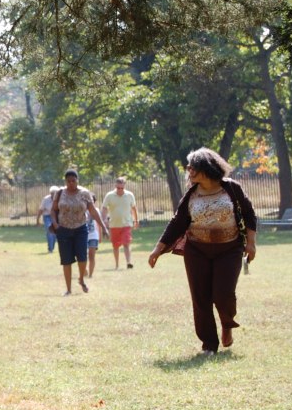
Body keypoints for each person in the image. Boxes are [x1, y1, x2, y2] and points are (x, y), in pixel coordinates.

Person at [147, 147, 257, 355]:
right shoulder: (191, 194)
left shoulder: (232, 189)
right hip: (197, 250)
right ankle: (209, 344)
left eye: (192, 167)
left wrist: (250, 243)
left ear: (206, 168)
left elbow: (249, 214)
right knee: (201, 298)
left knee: (223, 294)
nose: (189, 171)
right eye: (188, 167)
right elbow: (177, 223)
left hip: (229, 249)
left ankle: (227, 324)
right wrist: (157, 249)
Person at [50, 169, 109, 296]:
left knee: (82, 257)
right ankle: (68, 289)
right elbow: (53, 210)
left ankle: (81, 279)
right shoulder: (60, 193)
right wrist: (55, 224)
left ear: (77, 180)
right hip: (63, 230)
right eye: (68, 181)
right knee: (66, 260)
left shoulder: (85, 194)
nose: (71, 183)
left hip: (81, 229)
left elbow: (93, 211)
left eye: (73, 180)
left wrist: (103, 227)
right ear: (65, 181)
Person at [101, 176, 139, 269]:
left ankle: (128, 262)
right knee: (116, 246)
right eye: (118, 188)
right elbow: (104, 208)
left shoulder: (130, 195)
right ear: (115, 186)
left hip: (126, 224)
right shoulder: (109, 195)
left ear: (124, 186)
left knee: (126, 243)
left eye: (122, 188)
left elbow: (134, 208)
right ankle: (117, 264)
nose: (120, 190)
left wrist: (136, 220)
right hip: (114, 225)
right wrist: (104, 219)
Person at [35, 185, 59, 253]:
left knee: (55, 233)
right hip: (47, 216)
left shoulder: (59, 199)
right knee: (49, 231)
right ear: (50, 193)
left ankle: (52, 247)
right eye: (52, 193)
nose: (53, 195)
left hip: (55, 216)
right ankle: (50, 249)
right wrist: (37, 220)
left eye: (55, 193)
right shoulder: (46, 199)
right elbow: (40, 210)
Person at [87, 194, 101, 279]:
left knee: (92, 255)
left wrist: (100, 236)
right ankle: (84, 270)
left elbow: (99, 223)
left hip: (93, 235)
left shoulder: (96, 210)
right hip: (82, 236)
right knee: (82, 256)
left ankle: (90, 274)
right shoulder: (81, 210)